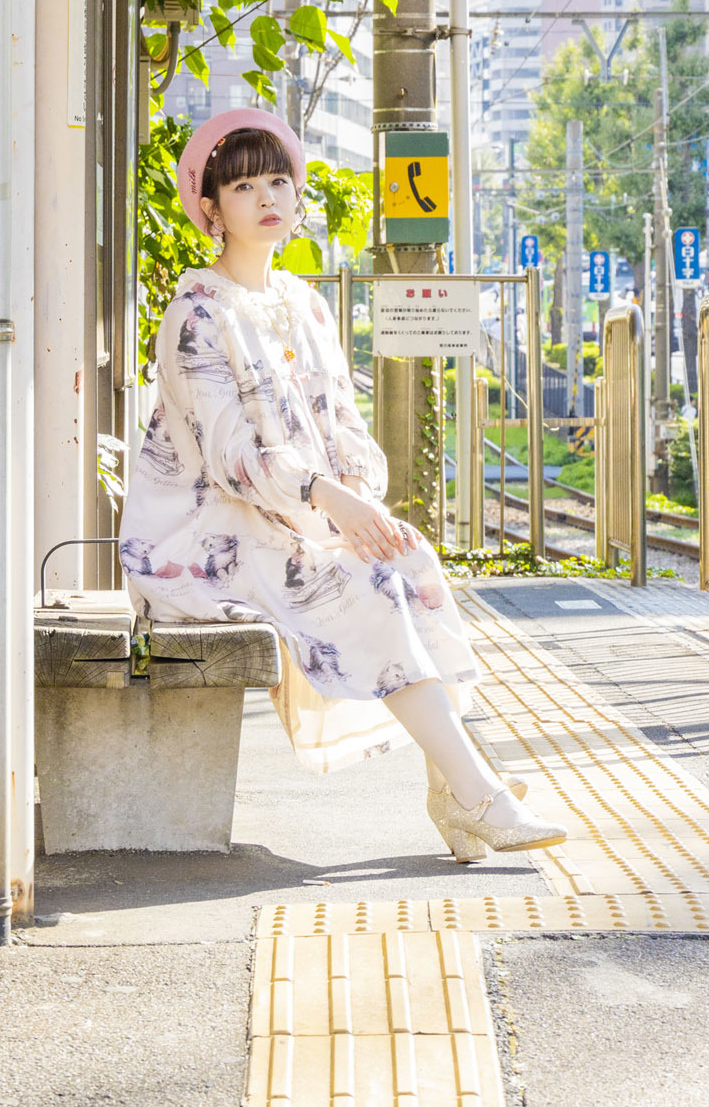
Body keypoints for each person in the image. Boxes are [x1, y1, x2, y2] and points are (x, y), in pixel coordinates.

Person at [118, 108, 565, 864]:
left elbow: (342, 419)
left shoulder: (303, 302)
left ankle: (457, 789)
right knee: (366, 581)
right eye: (244, 185)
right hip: (210, 536)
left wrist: (358, 490)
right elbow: (231, 461)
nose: (266, 198)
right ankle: (475, 794)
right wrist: (331, 500)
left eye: (278, 182)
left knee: (408, 561)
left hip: (296, 515)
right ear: (211, 207)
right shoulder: (197, 313)